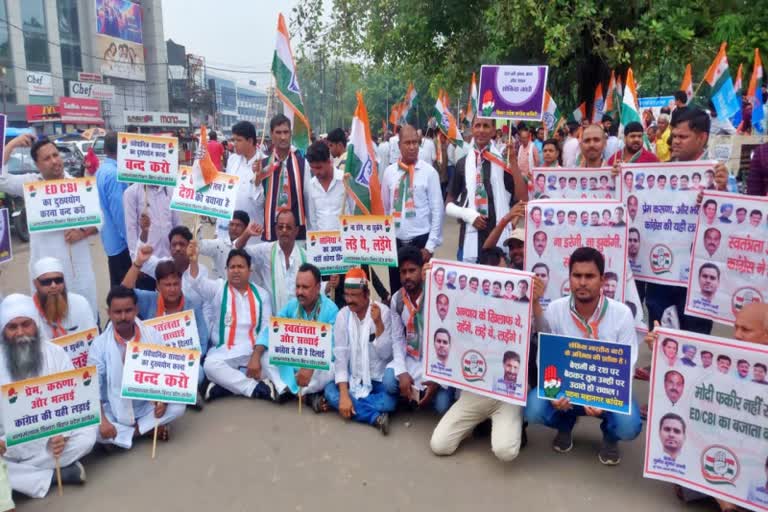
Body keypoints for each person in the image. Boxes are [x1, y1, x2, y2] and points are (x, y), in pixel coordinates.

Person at [526, 247, 641, 465]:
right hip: (566, 390)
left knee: (629, 425)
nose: (582, 282)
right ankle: (565, 423)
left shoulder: (621, 314)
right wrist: (552, 394)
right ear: (569, 278)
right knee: (533, 409)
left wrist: (605, 400)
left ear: (602, 279)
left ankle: (610, 436)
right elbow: (547, 352)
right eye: (577, 276)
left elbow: (629, 366)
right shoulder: (555, 309)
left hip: (606, 391)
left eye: (589, 276)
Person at [0, 294, 97, 497]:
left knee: (87, 435)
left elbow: (75, 399)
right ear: (3, 331)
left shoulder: (55, 353)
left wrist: (64, 432)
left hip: (51, 438)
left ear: (35, 325)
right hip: (10, 444)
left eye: (26, 324)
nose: (20, 332)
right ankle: (52, 476)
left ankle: (23, 478)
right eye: (12, 327)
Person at [1, 136, 100, 313]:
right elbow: (2, 179)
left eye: (56, 155)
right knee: (50, 326)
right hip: (46, 275)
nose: (54, 161)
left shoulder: (79, 186)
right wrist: (12, 145)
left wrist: (82, 232)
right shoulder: (31, 184)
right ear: (37, 165)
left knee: (85, 321)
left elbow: (100, 221)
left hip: (78, 273)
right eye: (47, 158)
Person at [644, 107, 716, 336]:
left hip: (695, 276)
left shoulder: (719, 176)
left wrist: (719, 197)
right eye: (674, 136)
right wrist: (620, 178)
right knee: (659, 333)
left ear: (702, 137)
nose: (675, 142)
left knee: (693, 338)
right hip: (660, 272)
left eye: (682, 137)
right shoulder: (658, 174)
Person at [89, 286, 185, 449]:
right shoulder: (99, 345)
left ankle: (130, 434)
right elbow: (93, 388)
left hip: (148, 405)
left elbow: (167, 373)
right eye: (117, 312)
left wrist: (164, 400)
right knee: (91, 431)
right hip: (114, 409)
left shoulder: (152, 335)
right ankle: (148, 430)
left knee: (179, 407)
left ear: (136, 310)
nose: (123, 317)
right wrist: (104, 421)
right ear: (109, 313)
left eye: (128, 311)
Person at [185, 241, 275, 402]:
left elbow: (266, 328)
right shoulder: (219, 288)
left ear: (250, 269)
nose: (236, 271)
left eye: (240, 267)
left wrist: (256, 356)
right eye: (232, 267)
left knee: (276, 363)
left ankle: (222, 387)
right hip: (225, 352)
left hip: (253, 352)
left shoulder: (262, 294)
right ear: (226, 270)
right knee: (210, 366)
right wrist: (193, 260)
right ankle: (254, 387)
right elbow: (198, 283)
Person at [121, 246, 209, 392]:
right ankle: (177, 394)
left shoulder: (192, 306)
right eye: (167, 285)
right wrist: (138, 263)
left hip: (181, 363)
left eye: (175, 284)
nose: (172, 289)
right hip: (153, 361)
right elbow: (124, 292)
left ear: (181, 283)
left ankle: (167, 394)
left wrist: (189, 358)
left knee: (199, 373)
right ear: (158, 286)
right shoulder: (149, 299)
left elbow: (203, 340)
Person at [254, 263, 339, 410]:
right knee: (264, 356)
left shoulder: (331, 310)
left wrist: (311, 366)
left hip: (316, 367)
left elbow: (333, 348)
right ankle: (300, 394)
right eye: (297, 286)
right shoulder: (292, 305)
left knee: (333, 368)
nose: (299, 292)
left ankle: (287, 390)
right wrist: (256, 354)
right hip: (293, 362)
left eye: (305, 287)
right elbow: (272, 330)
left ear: (318, 288)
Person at [446, 117, 526, 263]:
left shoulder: (502, 162)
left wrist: (513, 163)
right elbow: (448, 205)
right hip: (469, 241)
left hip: (498, 241)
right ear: (472, 129)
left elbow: (522, 199)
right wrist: (468, 215)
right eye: (477, 125)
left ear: (494, 131)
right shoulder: (462, 164)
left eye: (486, 126)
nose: (481, 130)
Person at [324, 269, 395, 434]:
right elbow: (340, 358)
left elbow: (387, 354)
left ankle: (350, 405)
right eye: (346, 295)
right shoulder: (343, 316)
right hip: (353, 377)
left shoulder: (382, 312)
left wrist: (378, 325)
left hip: (377, 378)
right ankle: (375, 417)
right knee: (330, 391)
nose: (349, 300)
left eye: (354, 295)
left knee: (389, 401)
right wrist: (343, 394)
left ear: (367, 294)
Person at [384, 247, 453, 414]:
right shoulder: (397, 300)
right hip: (412, 357)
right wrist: (402, 372)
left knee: (442, 406)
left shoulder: (438, 295)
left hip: (438, 360)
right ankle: (412, 393)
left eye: (412, 270)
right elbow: (398, 338)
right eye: (403, 272)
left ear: (422, 270)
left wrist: (437, 381)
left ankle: (428, 393)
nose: (407, 276)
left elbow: (452, 338)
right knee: (388, 382)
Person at [382, 125, 444, 291]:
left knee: (422, 292)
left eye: (415, 143)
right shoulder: (389, 173)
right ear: (398, 145)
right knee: (397, 290)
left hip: (421, 242)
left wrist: (430, 247)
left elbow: (438, 211)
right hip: (396, 242)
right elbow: (386, 208)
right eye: (407, 143)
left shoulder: (429, 173)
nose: (412, 147)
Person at [253, 114, 311, 242]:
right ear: (271, 135)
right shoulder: (262, 166)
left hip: (298, 235)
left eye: (286, 132)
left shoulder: (303, 164)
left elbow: (309, 201)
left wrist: (311, 234)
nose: (283, 137)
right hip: (272, 234)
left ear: (291, 134)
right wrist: (257, 181)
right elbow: (258, 204)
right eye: (278, 132)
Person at [236, 210, 305, 314]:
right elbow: (238, 251)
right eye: (281, 227)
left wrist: (329, 285)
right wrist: (247, 234)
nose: (284, 230)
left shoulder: (305, 256)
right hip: (272, 321)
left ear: (296, 230)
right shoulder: (265, 251)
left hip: (298, 323)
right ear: (276, 230)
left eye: (289, 227)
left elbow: (314, 288)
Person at [123, 182, 181, 290]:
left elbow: (177, 225)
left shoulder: (170, 190)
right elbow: (130, 229)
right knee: (149, 302)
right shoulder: (131, 193)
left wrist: (179, 257)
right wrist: (136, 263)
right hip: (146, 264)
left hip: (170, 261)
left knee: (169, 299)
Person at [215, 121, 264, 247]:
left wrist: (258, 177)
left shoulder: (264, 163)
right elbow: (226, 194)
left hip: (254, 231)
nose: (234, 144)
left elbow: (262, 201)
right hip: (229, 229)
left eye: (238, 140)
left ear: (250, 141)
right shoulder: (232, 160)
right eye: (233, 140)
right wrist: (218, 228)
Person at [31, 257, 96, 342]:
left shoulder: (80, 303)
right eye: (46, 282)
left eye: (58, 280)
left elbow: (93, 338)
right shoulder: (29, 311)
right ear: (35, 284)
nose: (53, 285)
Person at [306, 141, 347, 232]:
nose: (316, 172)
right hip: (321, 242)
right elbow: (312, 220)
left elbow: (352, 211)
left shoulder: (344, 181)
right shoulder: (311, 186)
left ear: (329, 162)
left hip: (344, 240)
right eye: (312, 168)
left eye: (319, 167)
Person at [199, 210, 250, 279]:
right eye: (231, 224)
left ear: (246, 228)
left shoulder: (251, 249)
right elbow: (198, 246)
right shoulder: (219, 244)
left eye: (238, 225)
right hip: (220, 287)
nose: (234, 228)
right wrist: (200, 223)